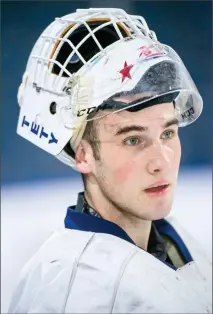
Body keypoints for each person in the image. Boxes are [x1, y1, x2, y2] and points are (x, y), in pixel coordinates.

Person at [9, 7, 211, 313]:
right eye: (133, 140)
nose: (162, 162)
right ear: (83, 155)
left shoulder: (171, 236)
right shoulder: (80, 294)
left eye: (168, 133)